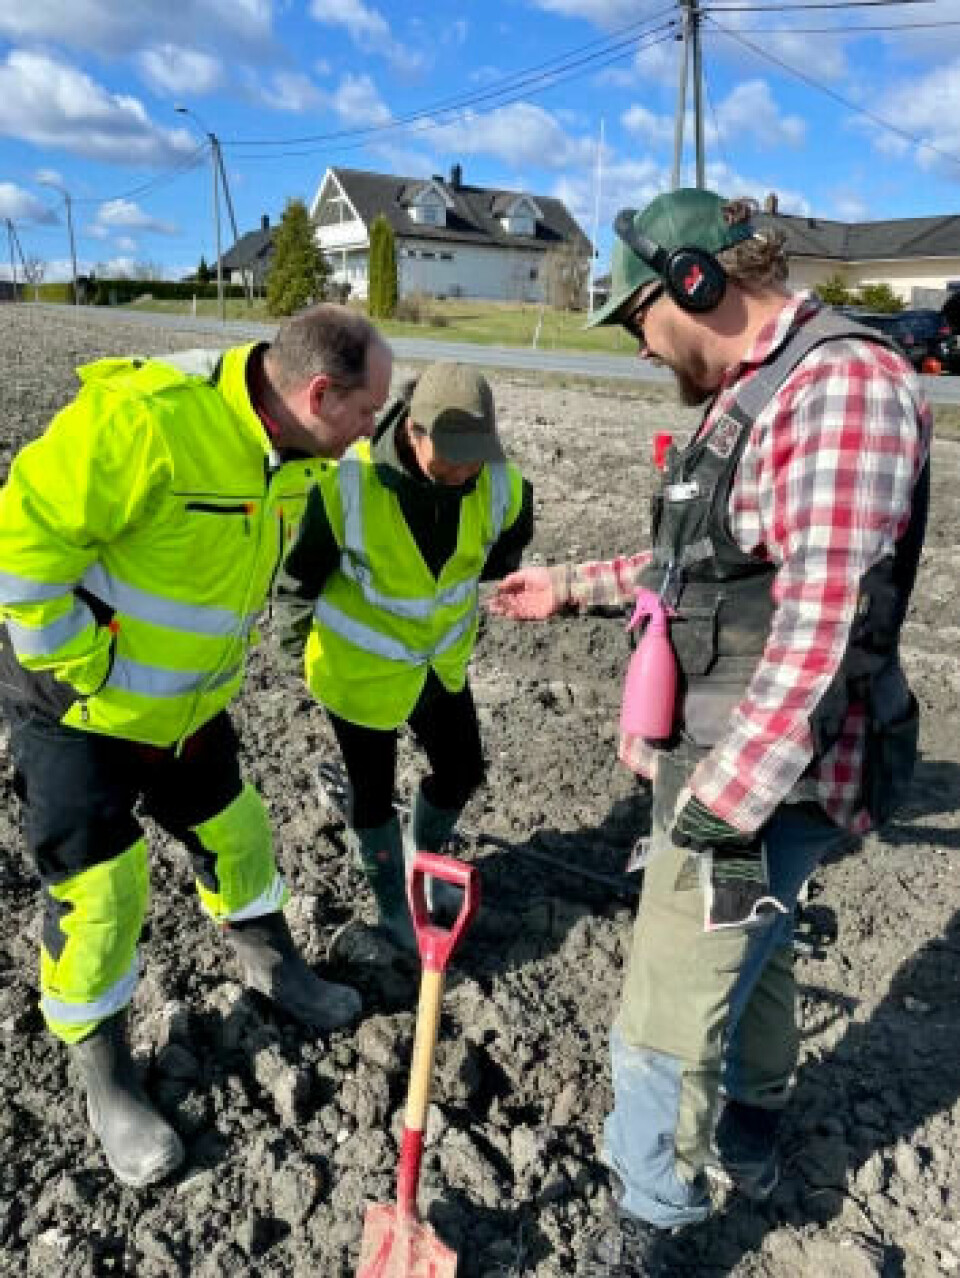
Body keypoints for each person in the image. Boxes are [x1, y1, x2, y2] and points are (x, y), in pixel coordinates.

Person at [487, 189, 931, 1271]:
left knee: (667, 992)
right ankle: (754, 1126)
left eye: (636, 317)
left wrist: (711, 811)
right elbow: (698, 563)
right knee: (754, 940)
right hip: (734, 760)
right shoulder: (754, 393)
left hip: (762, 774)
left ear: (693, 284)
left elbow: (823, 626)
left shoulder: (842, 388)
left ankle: (654, 1221)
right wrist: (573, 585)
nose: (637, 345)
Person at [0, 304, 393, 1188]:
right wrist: (90, 667)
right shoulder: (147, 423)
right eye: (368, 410)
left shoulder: (296, 450)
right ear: (319, 395)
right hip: (78, 706)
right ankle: (104, 1074)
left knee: (238, 833)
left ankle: (272, 966)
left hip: (185, 707)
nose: (372, 430)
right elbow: (17, 549)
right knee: (102, 893)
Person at [278, 361, 533, 956]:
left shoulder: (503, 486)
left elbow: (503, 553)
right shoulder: (348, 485)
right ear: (413, 432)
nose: (465, 471)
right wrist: (293, 647)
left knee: (462, 769)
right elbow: (299, 577)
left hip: (437, 664)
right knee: (371, 791)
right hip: (358, 670)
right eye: (451, 457)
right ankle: (393, 904)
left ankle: (425, 856)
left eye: (475, 456)